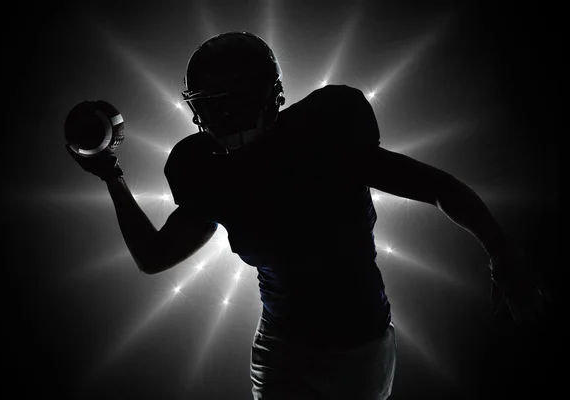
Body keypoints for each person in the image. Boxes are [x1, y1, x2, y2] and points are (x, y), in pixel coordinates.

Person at [67, 31, 551, 400]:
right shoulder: (212, 174)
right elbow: (154, 257)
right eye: (213, 104)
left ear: (272, 95)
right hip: (281, 344)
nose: (226, 117)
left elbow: (440, 188)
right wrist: (113, 177)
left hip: (360, 345)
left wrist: (502, 250)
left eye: (235, 99)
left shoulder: (325, 141)